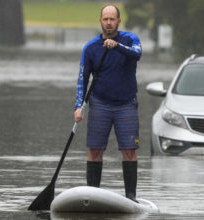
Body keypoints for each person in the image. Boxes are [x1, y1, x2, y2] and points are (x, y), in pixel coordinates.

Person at [73, 5, 142, 202]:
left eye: (112, 19)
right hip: (100, 104)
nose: (109, 23)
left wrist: (116, 45)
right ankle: (92, 196)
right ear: (100, 21)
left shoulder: (130, 39)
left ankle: (131, 197)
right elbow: (82, 79)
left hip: (126, 104)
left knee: (129, 151)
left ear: (119, 21)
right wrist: (79, 106)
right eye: (105, 19)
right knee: (95, 150)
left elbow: (137, 54)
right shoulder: (91, 47)